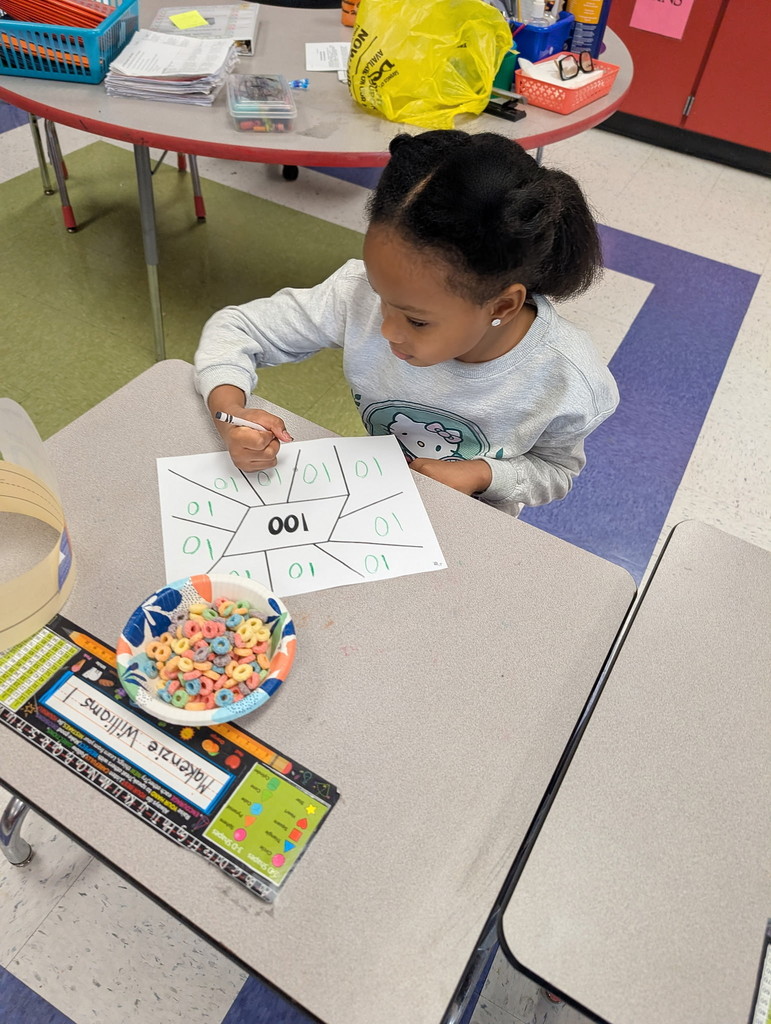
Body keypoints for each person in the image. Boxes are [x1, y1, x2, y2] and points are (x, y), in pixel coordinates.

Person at [195, 130, 618, 513]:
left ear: (502, 307)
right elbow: (238, 327)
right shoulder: (356, 293)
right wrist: (229, 411)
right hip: (376, 501)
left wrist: (482, 475)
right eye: (381, 297)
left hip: (474, 521)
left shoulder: (567, 378)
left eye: (417, 322)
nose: (387, 331)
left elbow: (556, 471)